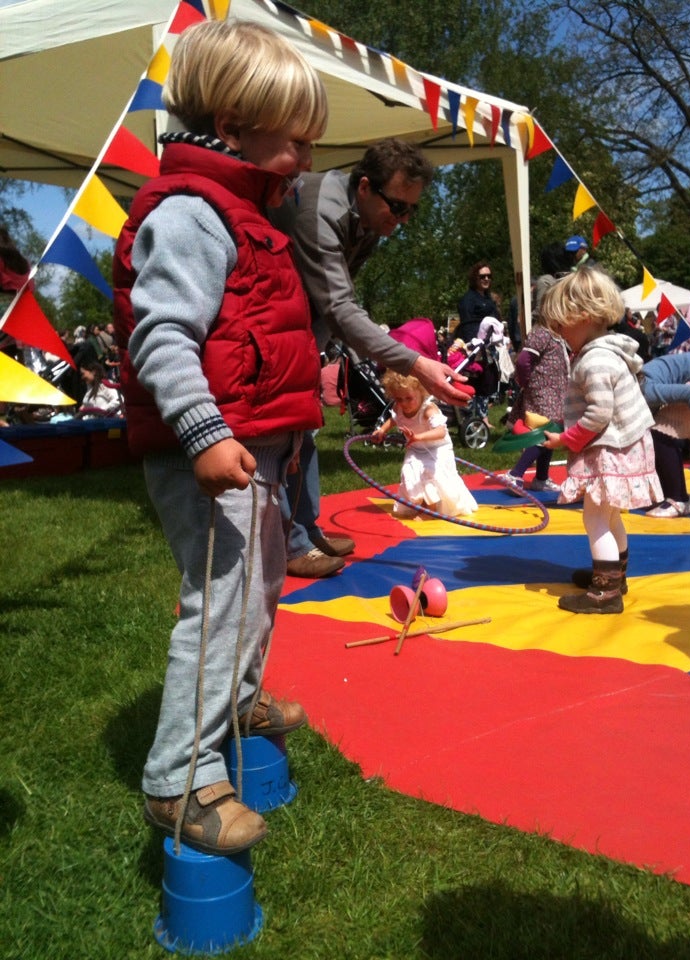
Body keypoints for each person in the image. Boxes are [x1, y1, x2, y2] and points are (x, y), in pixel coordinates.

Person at [112, 19, 328, 856]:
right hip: (210, 452)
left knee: (260, 589)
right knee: (220, 605)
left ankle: (235, 699)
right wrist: (203, 434)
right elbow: (161, 336)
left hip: (255, 449)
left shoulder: (246, 209)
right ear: (232, 127)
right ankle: (180, 780)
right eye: (296, 143)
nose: (307, 161)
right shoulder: (194, 214)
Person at [270, 138, 470, 578]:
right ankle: (289, 542)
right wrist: (416, 364)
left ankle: (305, 527)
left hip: (298, 323)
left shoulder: (367, 221)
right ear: (365, 187)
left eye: (410, 211)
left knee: (304, 422)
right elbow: (338, 307)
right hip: (267, 322)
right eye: (397, 207)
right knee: (281, 431)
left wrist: (314, 347)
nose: (401, 221)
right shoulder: (321, 213)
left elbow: (332, 306)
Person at [542, 268, 662, 614]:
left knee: (594, 519)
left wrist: (566, 440)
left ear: (582, 317)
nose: (558, 334)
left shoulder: (594, 360)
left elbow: (598, 414)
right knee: (609, 517)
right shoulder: (610, 352)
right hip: (627, 447)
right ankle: (614, 575)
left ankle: (605, 594)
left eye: (560, 325)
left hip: (611, 451)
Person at [371, 370, 477, 518]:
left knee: (430, 474)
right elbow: (394, 419)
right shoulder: (398, 407)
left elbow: (440, 432)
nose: (404, 403)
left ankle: (430, 508)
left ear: (421, 393)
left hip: (437, 448)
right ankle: (421, 504)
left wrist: (418, 437)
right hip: (415, 447)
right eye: (399, 399)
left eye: (409, 398)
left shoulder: (428, 410)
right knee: (410, 473)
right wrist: (382, 430)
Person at [641, 353, 690, 517]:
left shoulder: (646, 390)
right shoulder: (639, 386)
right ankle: (668, 493)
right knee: (653, 432)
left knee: (660, 431)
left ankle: (678, 499)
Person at [502, 312, 569, 494]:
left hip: (554, 393)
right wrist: (526, 382)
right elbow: (524, 360)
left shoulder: (556, 337)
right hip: (542, 392)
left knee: (551, 430)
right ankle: (515, 474)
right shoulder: (542, 333)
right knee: (544, 432)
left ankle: (541, 477)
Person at [455, 262, 500, 344]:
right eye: (482, 276)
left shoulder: (489, 298)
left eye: (489, 276)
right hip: (477, 345)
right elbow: (467, 326)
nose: (486, 279)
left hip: (493, 342)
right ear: (475, 278)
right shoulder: (467, 300)